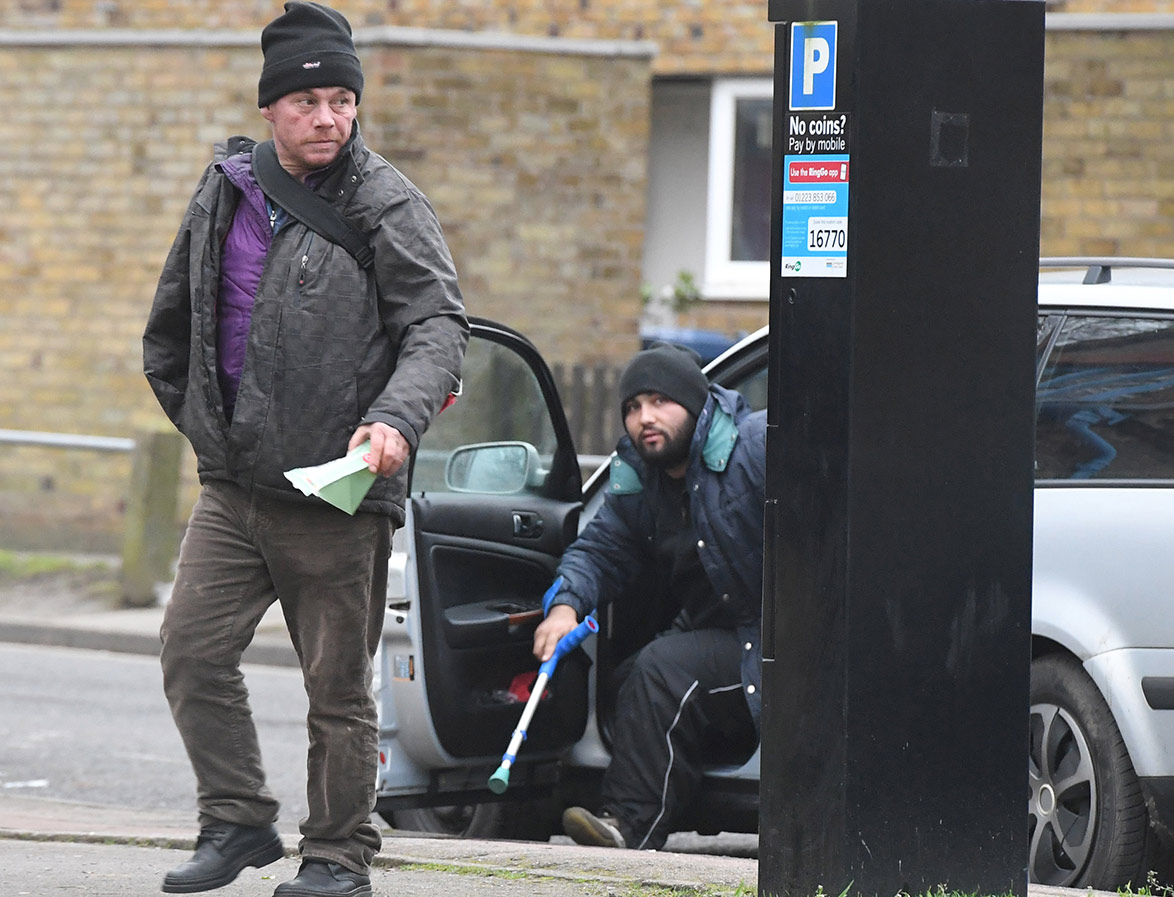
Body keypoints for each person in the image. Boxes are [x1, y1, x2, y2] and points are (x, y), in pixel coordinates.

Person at [142, 3, 468, 895]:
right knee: (190, 652)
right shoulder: (226, 188)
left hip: (337, 493)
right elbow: (173, 326)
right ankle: (239, 819)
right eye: (308, 101)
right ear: (270, 110)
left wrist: (394, 421)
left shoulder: (386, 201)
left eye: (342, 100)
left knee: (337, 693)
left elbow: (437, 325)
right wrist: (211, 430)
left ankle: (336, 855)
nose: (328, 117)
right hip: (235, 487)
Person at [532, 342, 766, 851]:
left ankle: (630, 827)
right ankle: (691, 792)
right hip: (717, 632)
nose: (645, 418)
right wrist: (566, 605)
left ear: (697, 403)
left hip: (770, 640)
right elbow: (598, 550)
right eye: (633, 408)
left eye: (660, 401)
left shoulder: (754, 446)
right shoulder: (642, 479)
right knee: (627, 679)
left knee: (661, 670)